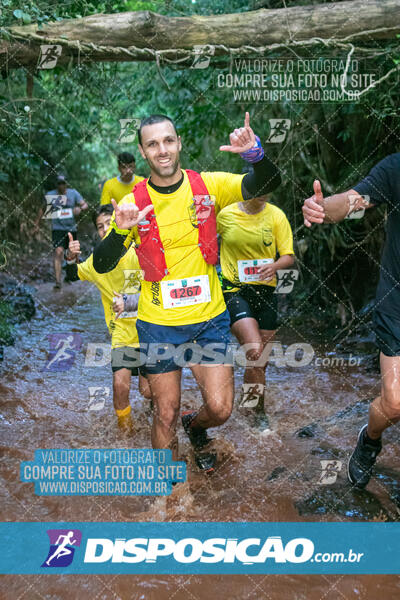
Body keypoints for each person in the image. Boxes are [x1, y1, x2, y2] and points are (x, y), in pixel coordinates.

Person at [93, 112, 281, 472]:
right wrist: (119, 232)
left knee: (222, 408)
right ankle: (171, 491)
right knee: (164, 411)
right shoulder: (134, 202)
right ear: (142, 152)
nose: (162, 150)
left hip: (207, 321)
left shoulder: (208, 185)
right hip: (158, 324)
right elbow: (101, 264)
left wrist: (256, 155)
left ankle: (195, 428)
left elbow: (267, 182)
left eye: (167, 141)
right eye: (152, 144)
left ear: (178, 143)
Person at [302, 153, 400, 489]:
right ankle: (371, 438)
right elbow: (356, 200)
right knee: (396, 402)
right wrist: (324, 209)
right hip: (397, 305)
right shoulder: (396, 169)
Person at [65, 204, 151, 433]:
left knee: (147, 391)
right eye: (99, 226)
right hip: (122, 334)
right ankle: (126, 435)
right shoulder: (95, 263)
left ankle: (155, 411)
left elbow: (161, 293)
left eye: (108, 224)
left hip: (152, 331)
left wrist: (130, 301)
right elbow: (72, 275)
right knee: (119, 385)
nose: (104, 230)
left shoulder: (142, 252)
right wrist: (70, 257)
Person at [217, 192, 294, 430]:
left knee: (260, 362)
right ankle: (258, 416)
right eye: (258, 189)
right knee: (255, 350)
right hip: (234, 291)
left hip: (266, 294)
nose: (264, 195)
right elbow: (204, 242)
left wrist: (275, 265)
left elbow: (289, 257)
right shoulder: (226, 215)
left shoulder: (277, 216)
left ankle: (250, 405)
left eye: (269, 190)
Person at [35, 174, 88, 289]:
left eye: (63, 183)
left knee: (71, 254)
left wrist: (80, 209)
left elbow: (85, 205)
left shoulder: (73, 193)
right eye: (59, 183)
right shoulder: (50, 195)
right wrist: (36, 224)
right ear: (56, 184)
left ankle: (69, 276)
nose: (61, 185)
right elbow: (42, 208)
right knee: (58, 252)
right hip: (57, 229)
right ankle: (58, 282)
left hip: (71, 229)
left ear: (66, 184)